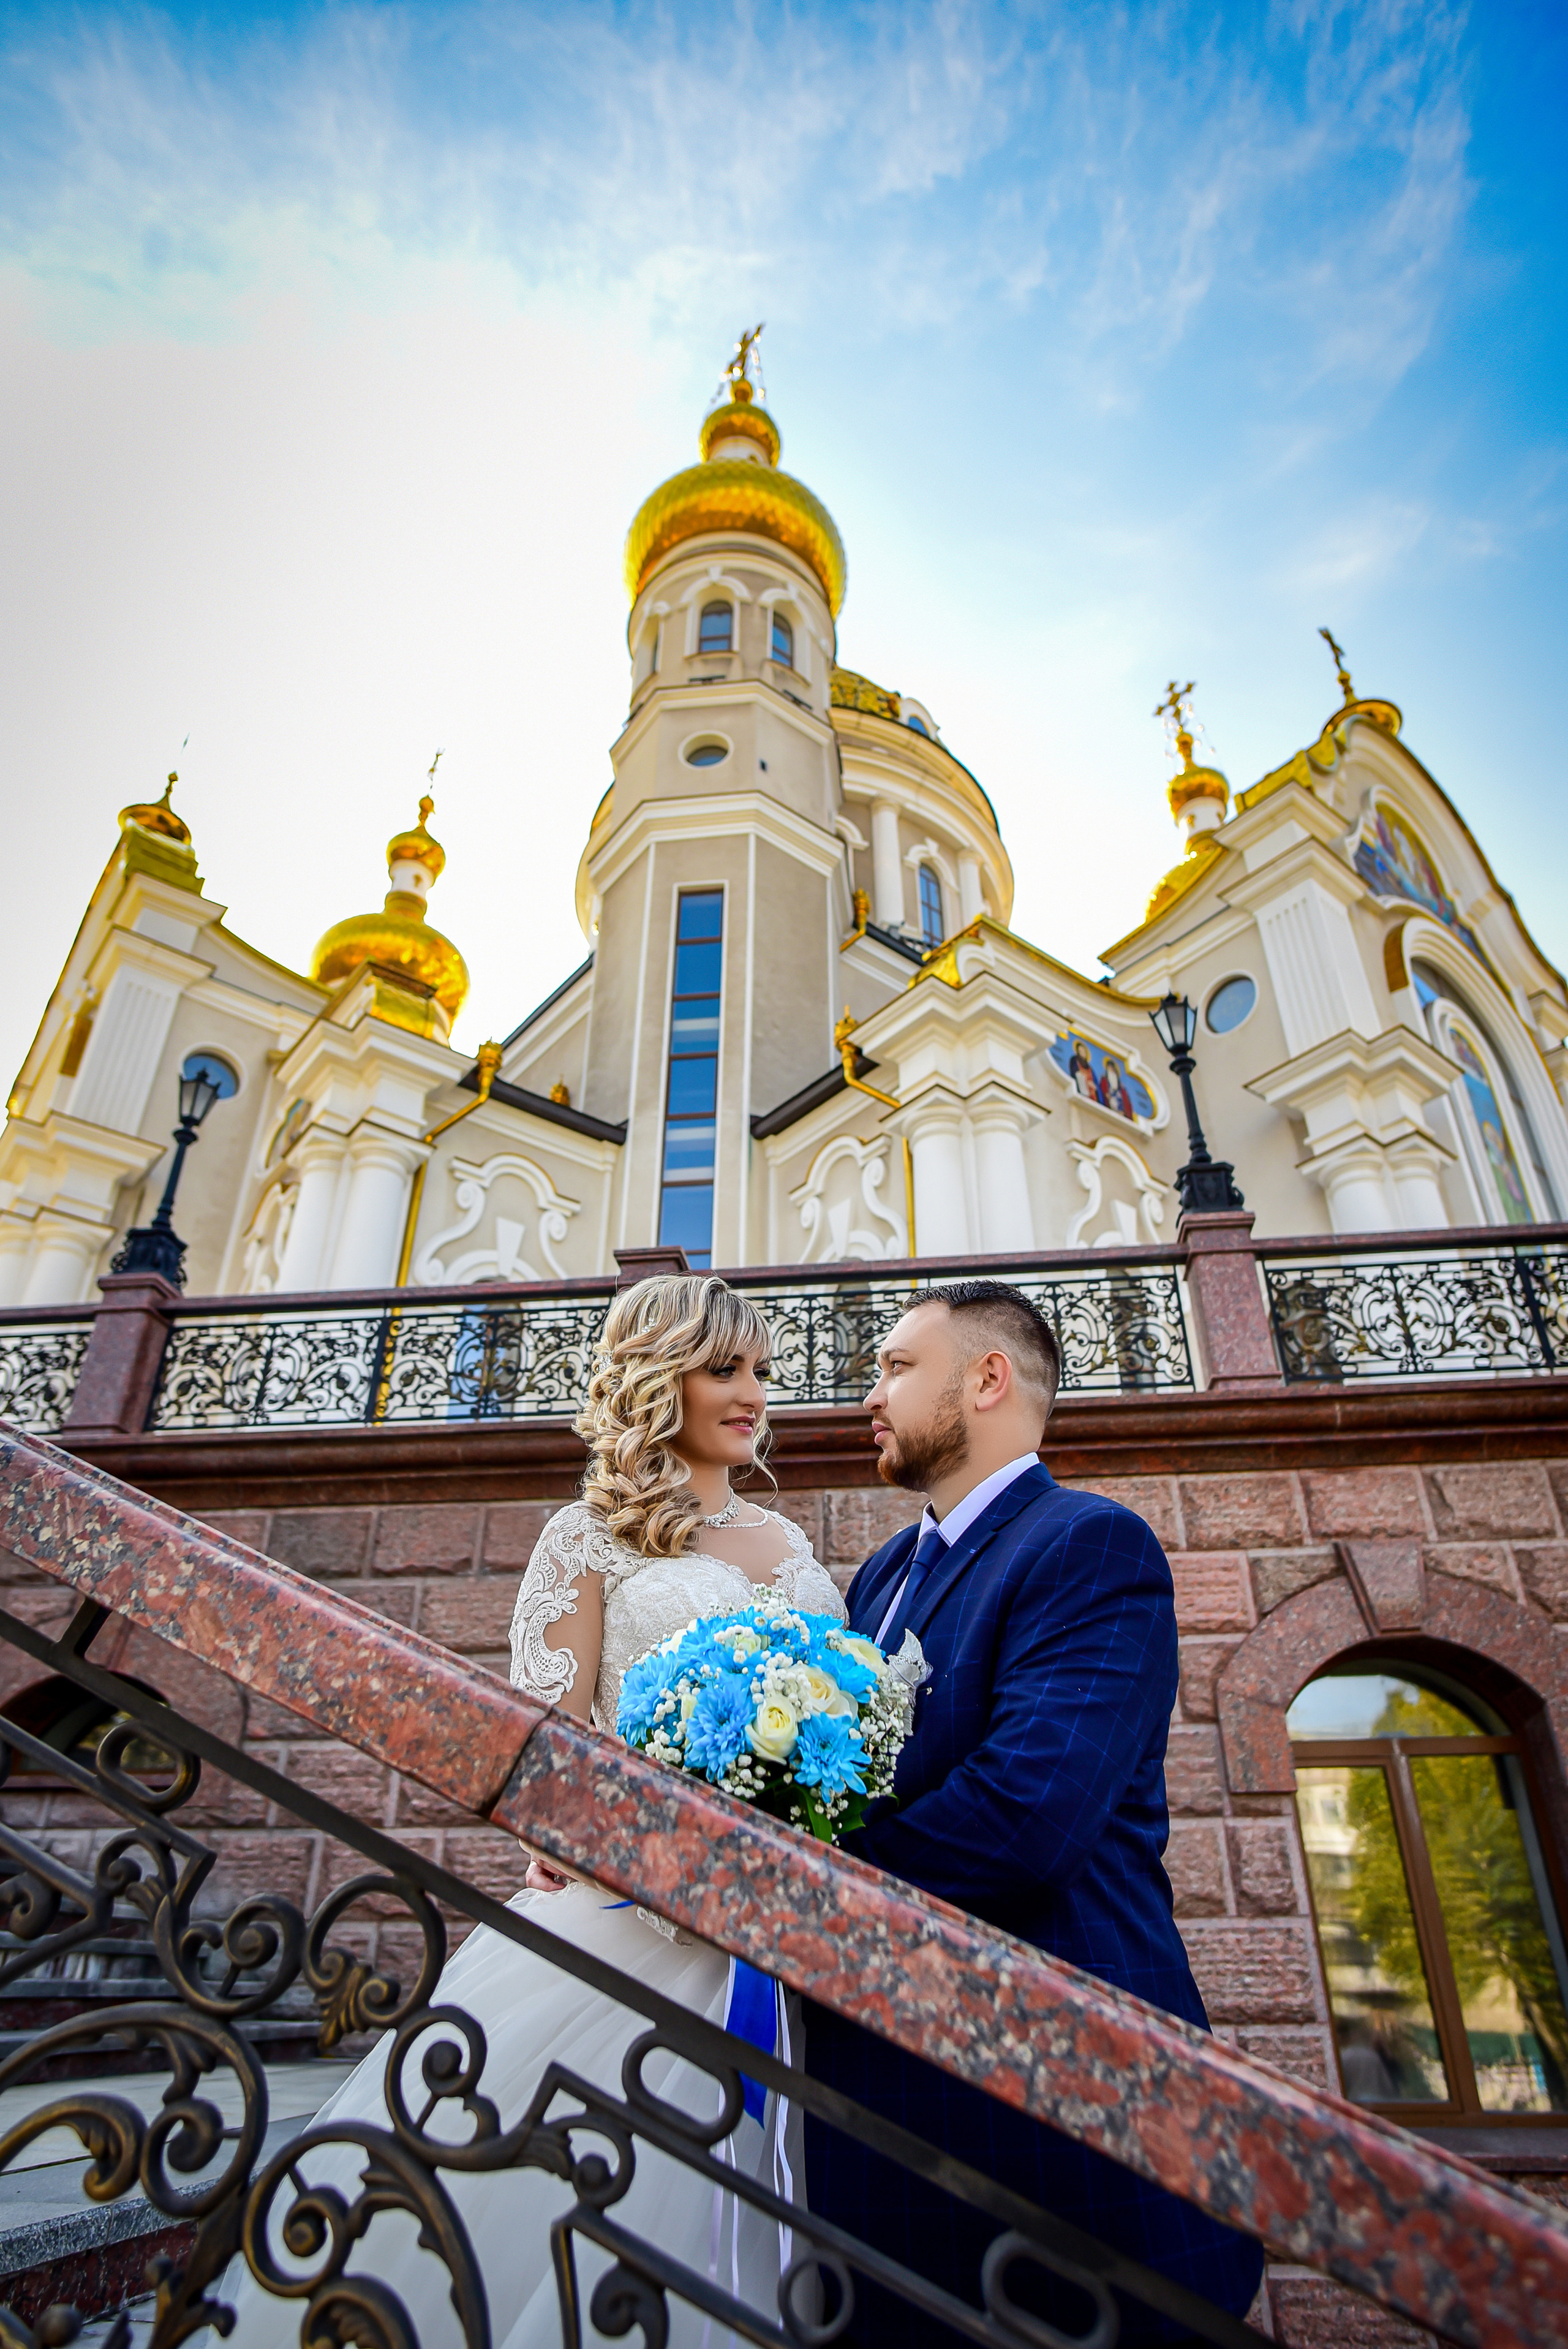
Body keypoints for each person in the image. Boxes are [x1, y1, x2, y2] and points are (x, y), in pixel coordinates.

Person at [224, 1273, 846, 2349]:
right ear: (661, 1382)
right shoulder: (588, 1535)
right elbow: (545, 1749)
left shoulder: (787, 1545)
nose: (755, 1393)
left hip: (784, 1931)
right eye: (726, 1368)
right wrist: (600, 1839)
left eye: (759, 1370)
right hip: (629, 1920)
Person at [804, 1278, 1265, 2347]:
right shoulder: (879, 1577)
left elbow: (1027, 1815)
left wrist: (793, 1872)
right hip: (884, 2118)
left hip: (1063, 2123)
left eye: (896, 1368)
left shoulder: (1088, 1546)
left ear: (988, 1378)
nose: (870, 1397)